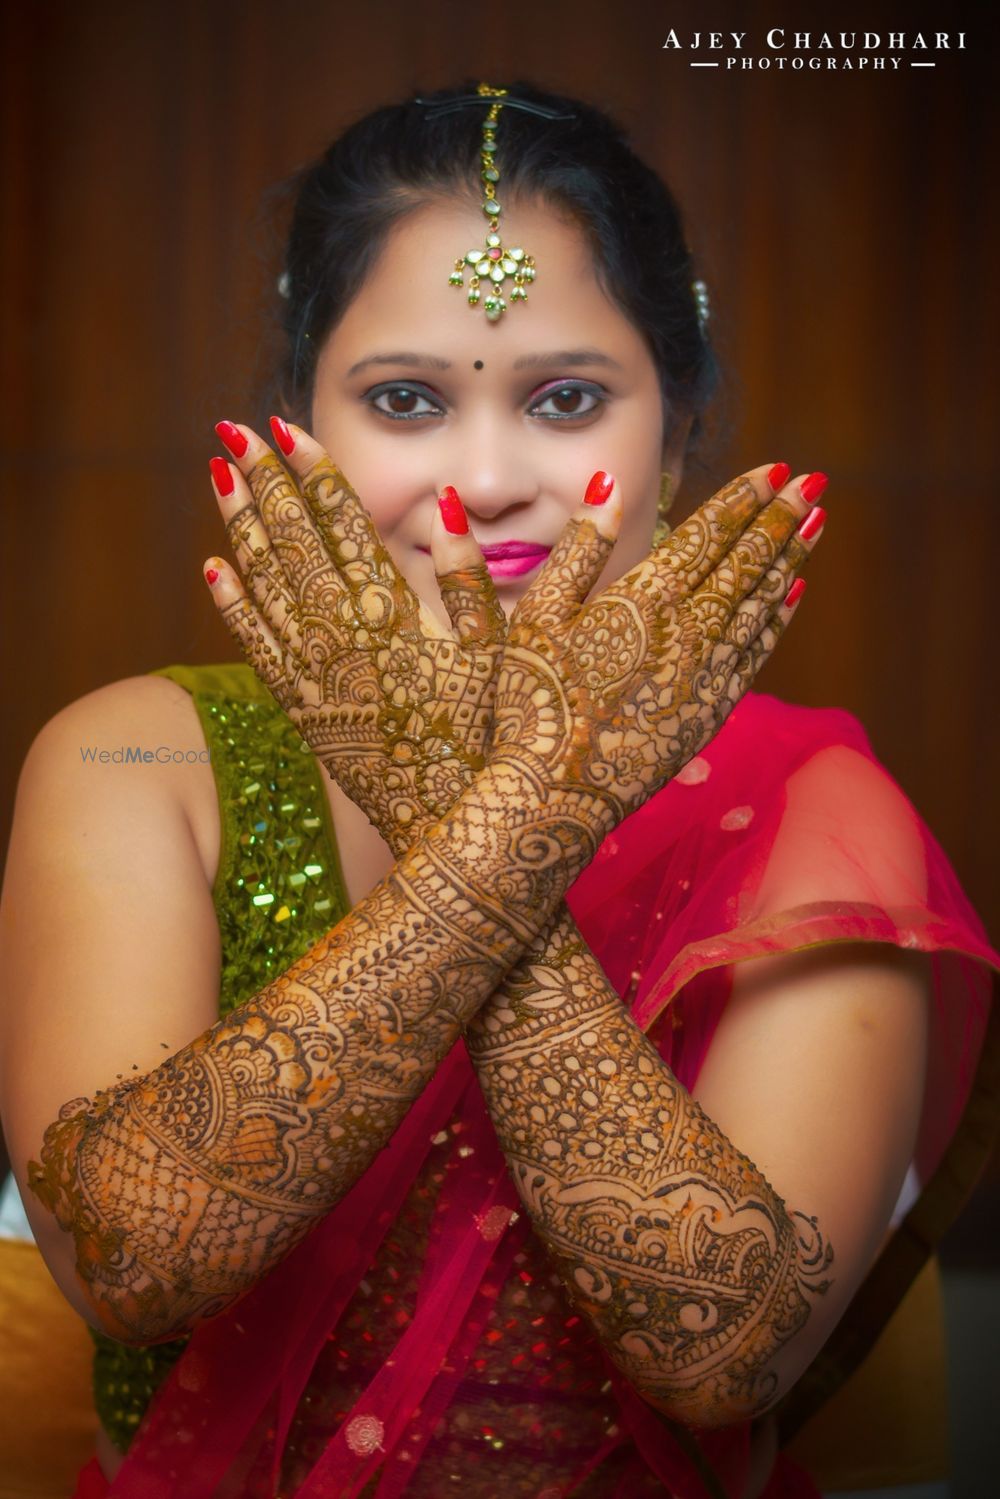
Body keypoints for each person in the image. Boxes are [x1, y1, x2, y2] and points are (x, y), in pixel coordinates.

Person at [0, 80, 996, 1499]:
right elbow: (128, 1259)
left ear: (681, 418)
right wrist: (518, 823)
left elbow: (722, 1353)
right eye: (405, 400)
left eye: (567, 399)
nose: (483, 480)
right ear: (302, 423)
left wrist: (466, 813)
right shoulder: (135, 763)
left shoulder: (814, 809)